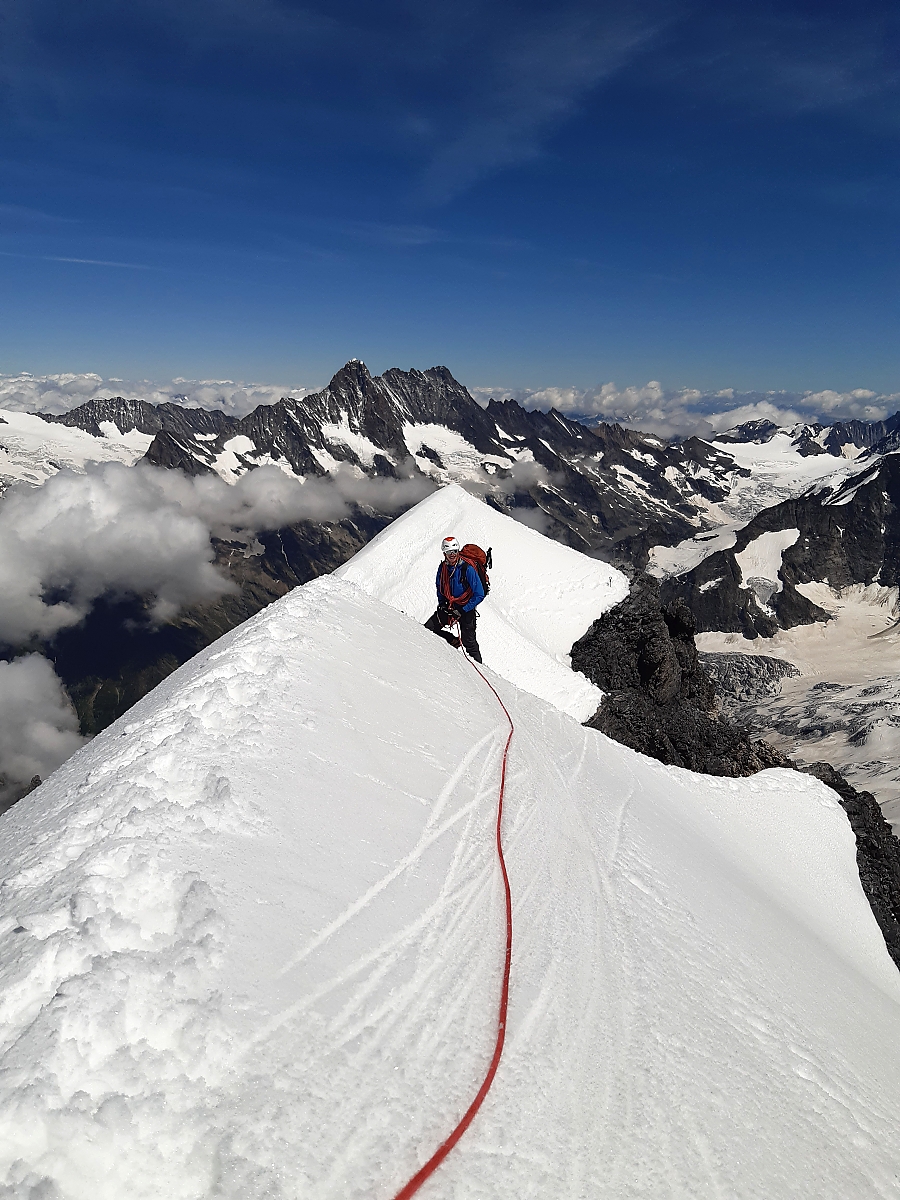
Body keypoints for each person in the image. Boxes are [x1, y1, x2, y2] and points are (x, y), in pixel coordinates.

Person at [424, 535, 484, 662]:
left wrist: (463, 610)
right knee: (428, 629)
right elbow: (440, 587)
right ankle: (452, 640)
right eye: (449, 552)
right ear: (444, 553)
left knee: (469, 643)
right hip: (450, 606)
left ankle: (480, 669)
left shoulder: (467, 569)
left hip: (466, 608)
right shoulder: (443, 568)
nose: (452, 554)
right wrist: (442, 604)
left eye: (454, 551)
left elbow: (479, 594)